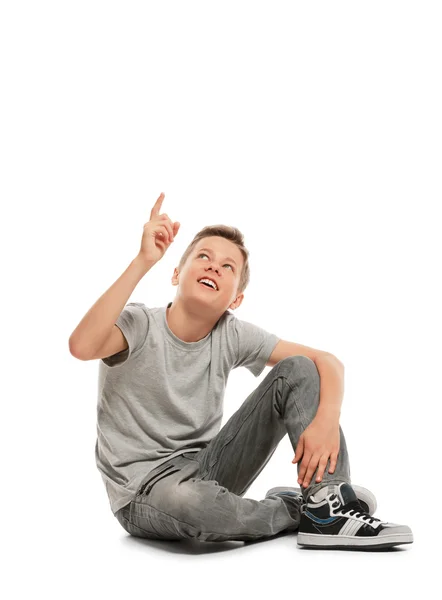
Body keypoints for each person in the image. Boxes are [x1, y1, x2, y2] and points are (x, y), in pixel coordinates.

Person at [69, 192, 413, 550]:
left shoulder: (231, 333)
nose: (214, 266)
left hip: (210, 468)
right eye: (203, 256)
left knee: (298, 367)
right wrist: (143, 260)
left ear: (235, 299)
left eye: (227, 266)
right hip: (144, 491)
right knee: (195, 505)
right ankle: (298, 510)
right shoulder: (139, 325)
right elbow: (82, 346)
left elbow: (327, 361)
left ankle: (327, 500)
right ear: (176, 273)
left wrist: (327, 418)